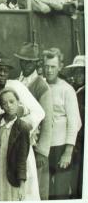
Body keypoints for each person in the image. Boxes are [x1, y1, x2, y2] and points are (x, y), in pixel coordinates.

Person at [0, 52, 44, 200]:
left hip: (19, 145)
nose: (2, 73)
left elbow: (39, 112)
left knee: (25, 190)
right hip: (0, 147)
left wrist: (20, 128)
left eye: (5, 70)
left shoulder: (16, 86)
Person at [42, 48, 82, 199]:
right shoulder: (41, 86)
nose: (49, 70)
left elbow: (74, 122)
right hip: (44, 148)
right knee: (45, 192)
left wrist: (68, 152)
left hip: (61, 147)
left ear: (60, 66)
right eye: (46, 66)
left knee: (61, 192)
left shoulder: (67, 89)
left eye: (53, 66)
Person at [16, 42, 53, 200]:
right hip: (20, 144)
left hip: (35, 146)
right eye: (23, 61)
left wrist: (42, 152)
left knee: (38, 190)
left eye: (29, 62)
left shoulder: (41, 86)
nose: (26, 65)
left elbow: (47, 121)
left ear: (36, 63)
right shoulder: (17, 81)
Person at [0, 88, 31, 201]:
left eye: (12, 101)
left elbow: (22, 158)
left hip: (11, 172)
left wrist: (22, 185)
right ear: (1, 106)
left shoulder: (22, 128)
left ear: (18, 102)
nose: (9, 106)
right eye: (4, 103)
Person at [63, 55, 85, 199]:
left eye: (81, 72)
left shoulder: (83, 93)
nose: (77, 75)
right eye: (75, 72)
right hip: (76, 142)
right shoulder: (76, 91)